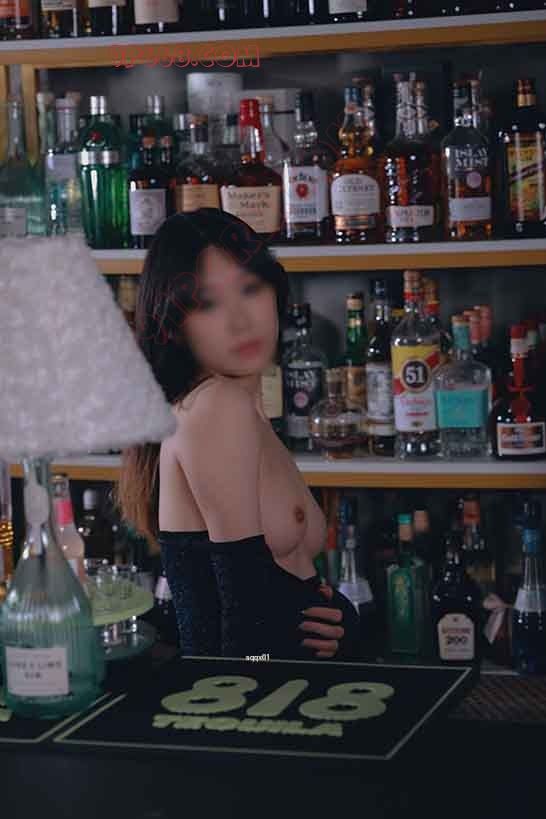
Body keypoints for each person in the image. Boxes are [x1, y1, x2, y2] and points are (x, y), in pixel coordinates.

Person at [117, 208, 363, 662]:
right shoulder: (217, 407)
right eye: (207, 303)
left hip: (282, 684)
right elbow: (242, 630)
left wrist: (339, 622)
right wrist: (262, 683)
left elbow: (271, 592)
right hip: (255, 691)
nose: (240, 320)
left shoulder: (241, 407)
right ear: (176, 324)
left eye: (249, 288)